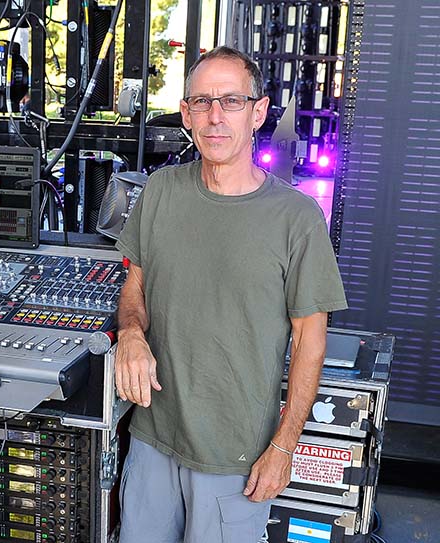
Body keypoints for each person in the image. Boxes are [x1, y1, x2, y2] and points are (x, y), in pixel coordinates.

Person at [114, 46, 347, 543]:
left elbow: (311, 341)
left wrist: (285, 446)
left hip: (233, 457)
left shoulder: (297, 219)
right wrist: (131, 333)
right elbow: (135, 283)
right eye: (201, 102)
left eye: (232, 102)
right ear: (186, 114)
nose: (215, 117)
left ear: (258, 112)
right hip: (151, 438)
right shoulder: (159, 191)